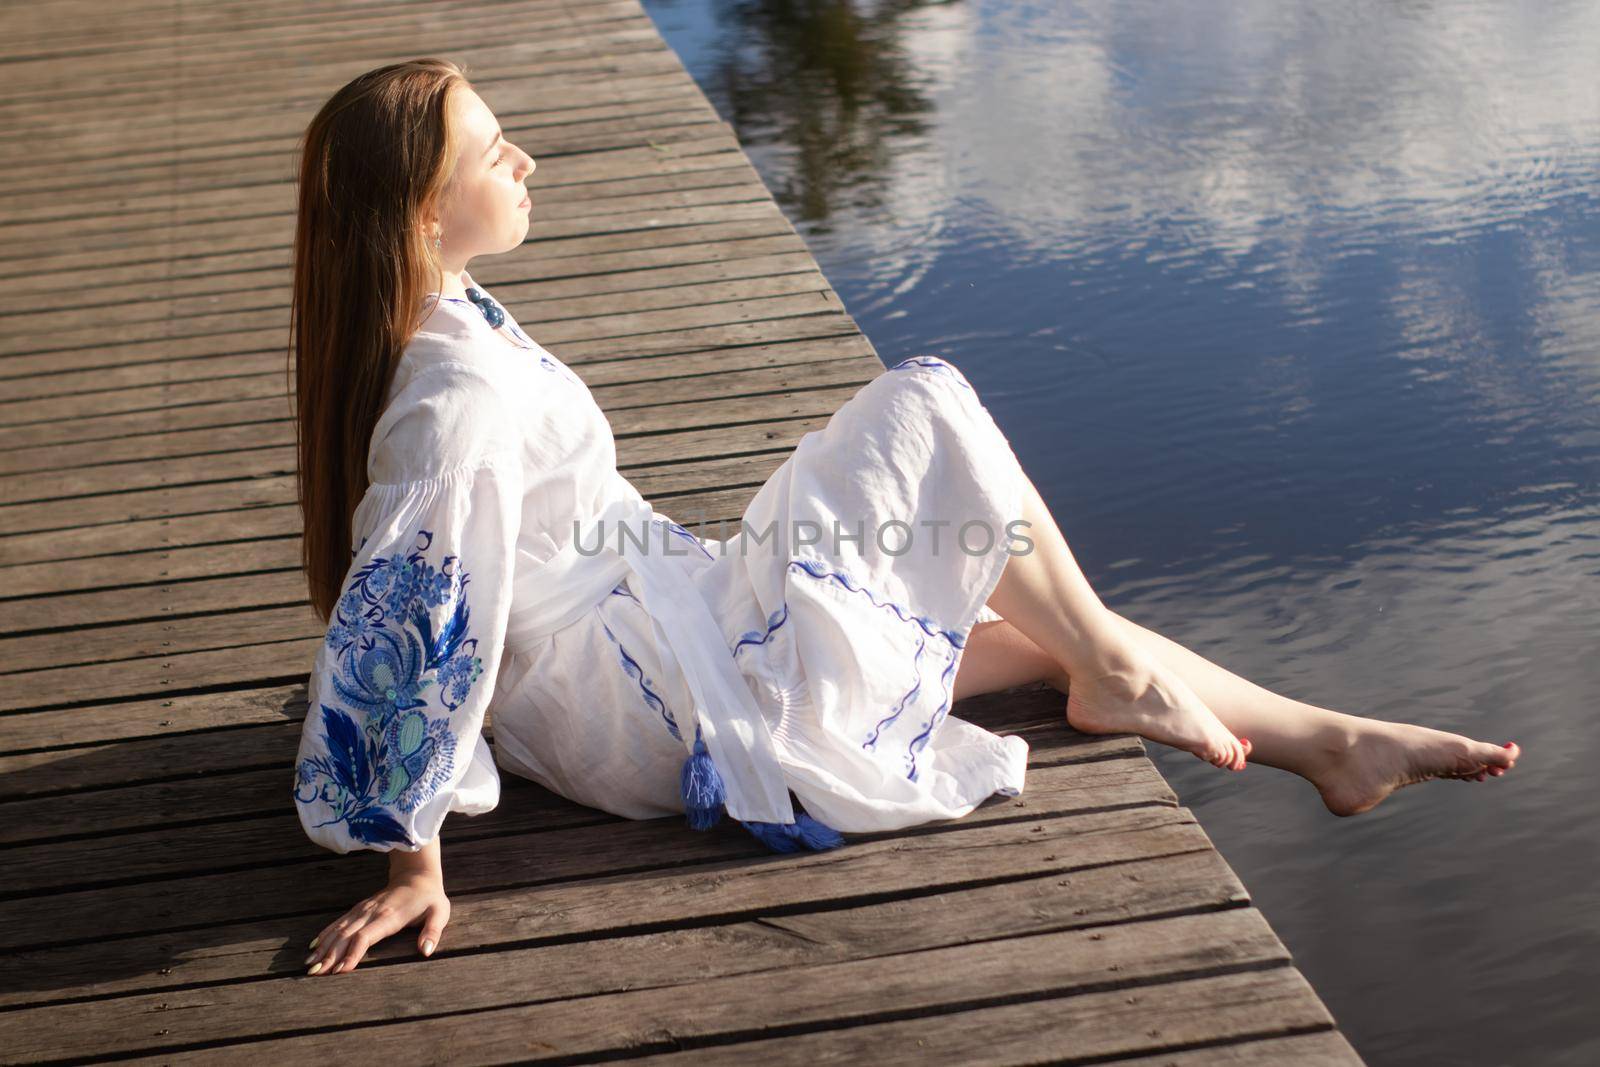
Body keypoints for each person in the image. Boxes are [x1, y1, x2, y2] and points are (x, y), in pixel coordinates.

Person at [291, 59, 1520, 977]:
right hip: (654, 701)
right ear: (416, 212)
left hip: (655, 623)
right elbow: (421, 614)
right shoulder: (449, 392)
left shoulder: (454, 315)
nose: (528, 164)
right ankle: (1117, 665)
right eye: (494, 152)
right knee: (927, 408)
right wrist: (414, 857)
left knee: (1010, 604)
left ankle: (1324, 740)